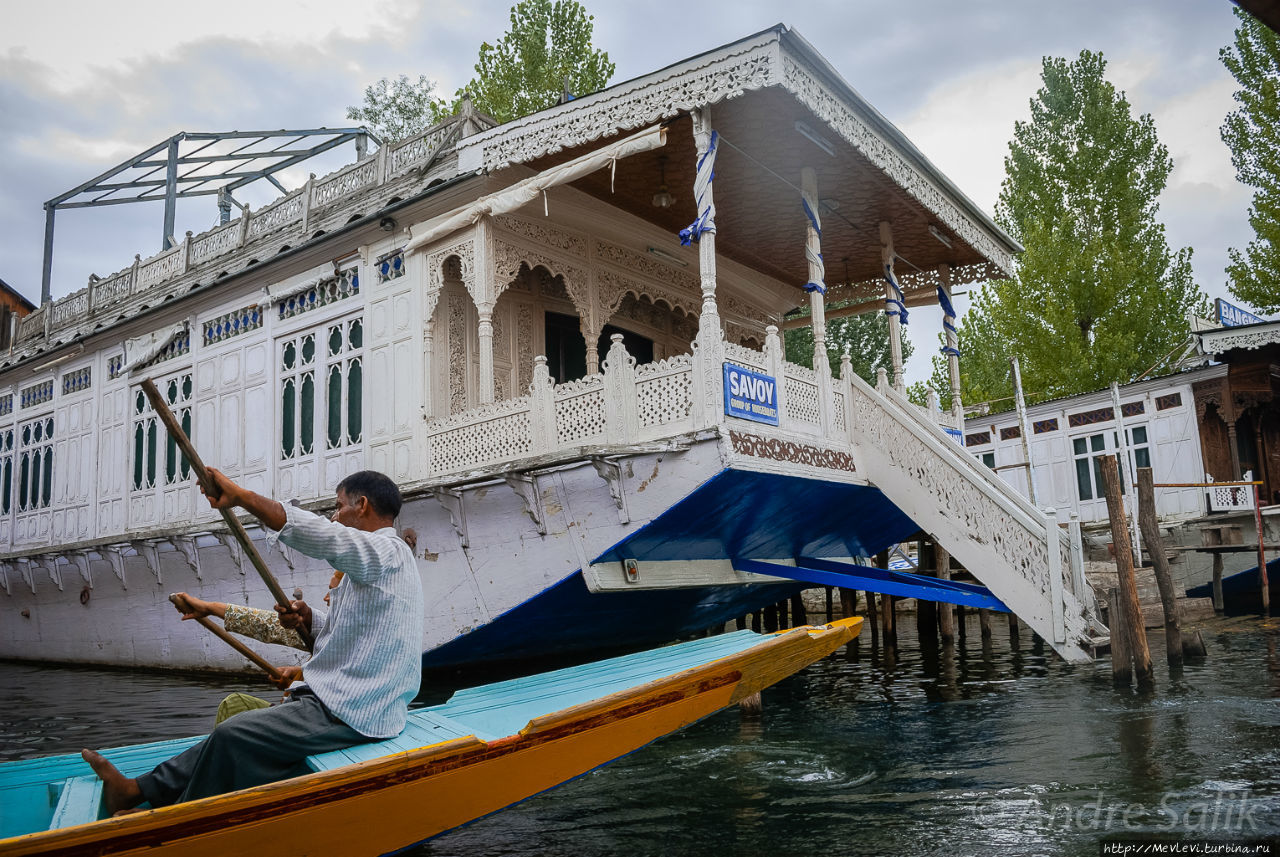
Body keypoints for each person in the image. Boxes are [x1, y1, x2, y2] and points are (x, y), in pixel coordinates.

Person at [81, 469, 424, 813]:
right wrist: (309, 619)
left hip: (353, 713)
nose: (334, 516)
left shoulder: (386, 551)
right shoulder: (379, 565)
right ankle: (137, 789)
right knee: (232, 724)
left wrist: (243, 497)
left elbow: (327, 538)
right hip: (335, 702)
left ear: (361, 505)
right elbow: (342, 629)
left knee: (234, 734)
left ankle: (173, 821)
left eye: (337, 507)